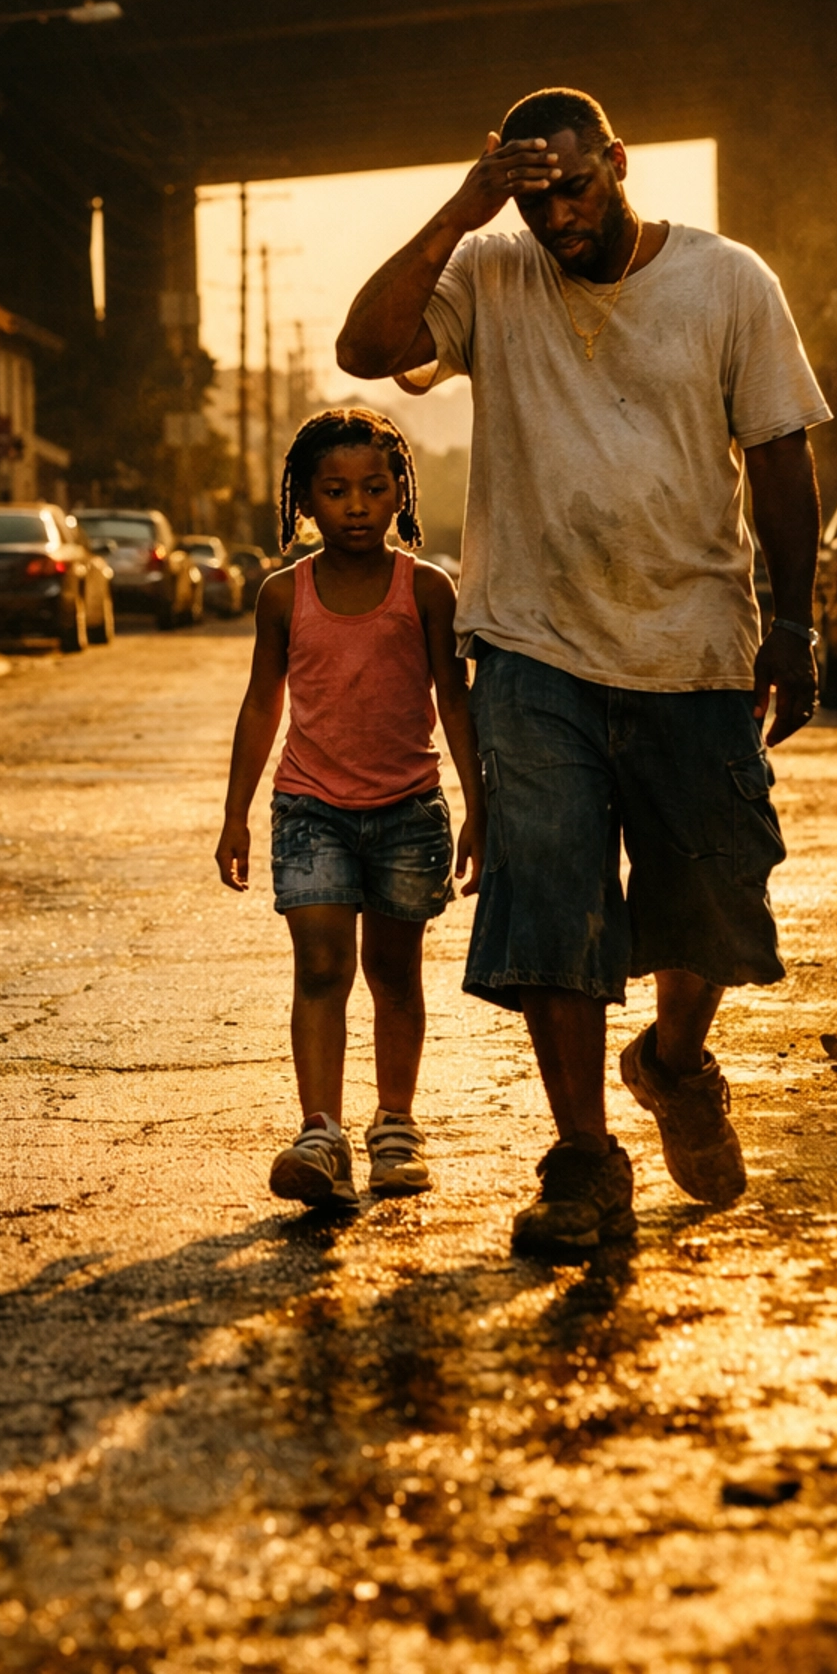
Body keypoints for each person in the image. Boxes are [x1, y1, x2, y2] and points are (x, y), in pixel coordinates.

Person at [337, 87, 829, 1260]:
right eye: (530, 190)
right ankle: (585, 1160)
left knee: (711, 905)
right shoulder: (493, 272)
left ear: (615, 161)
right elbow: (365, 347)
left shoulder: (727, 280)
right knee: (550, 895)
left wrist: (795, 627)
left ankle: (671, 1062)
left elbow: (780, 455)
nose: (554, 211)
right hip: (532, 646)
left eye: (571, 182)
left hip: (694, 647)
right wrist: (467, 205)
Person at [216, 408, 486, 1209]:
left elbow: (455, 699)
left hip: (408, 810)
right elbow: (261, 706)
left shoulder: (428, 589)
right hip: (310, 809)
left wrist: (478, 804)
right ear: (304, 499)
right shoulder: (281, 596)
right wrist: (236, 813)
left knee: (394, 975)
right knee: (322, 967)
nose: (358, 506)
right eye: (336, 491)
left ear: (401, 490)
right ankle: (320, 1133)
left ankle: (395, 1126)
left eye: (375, 487)